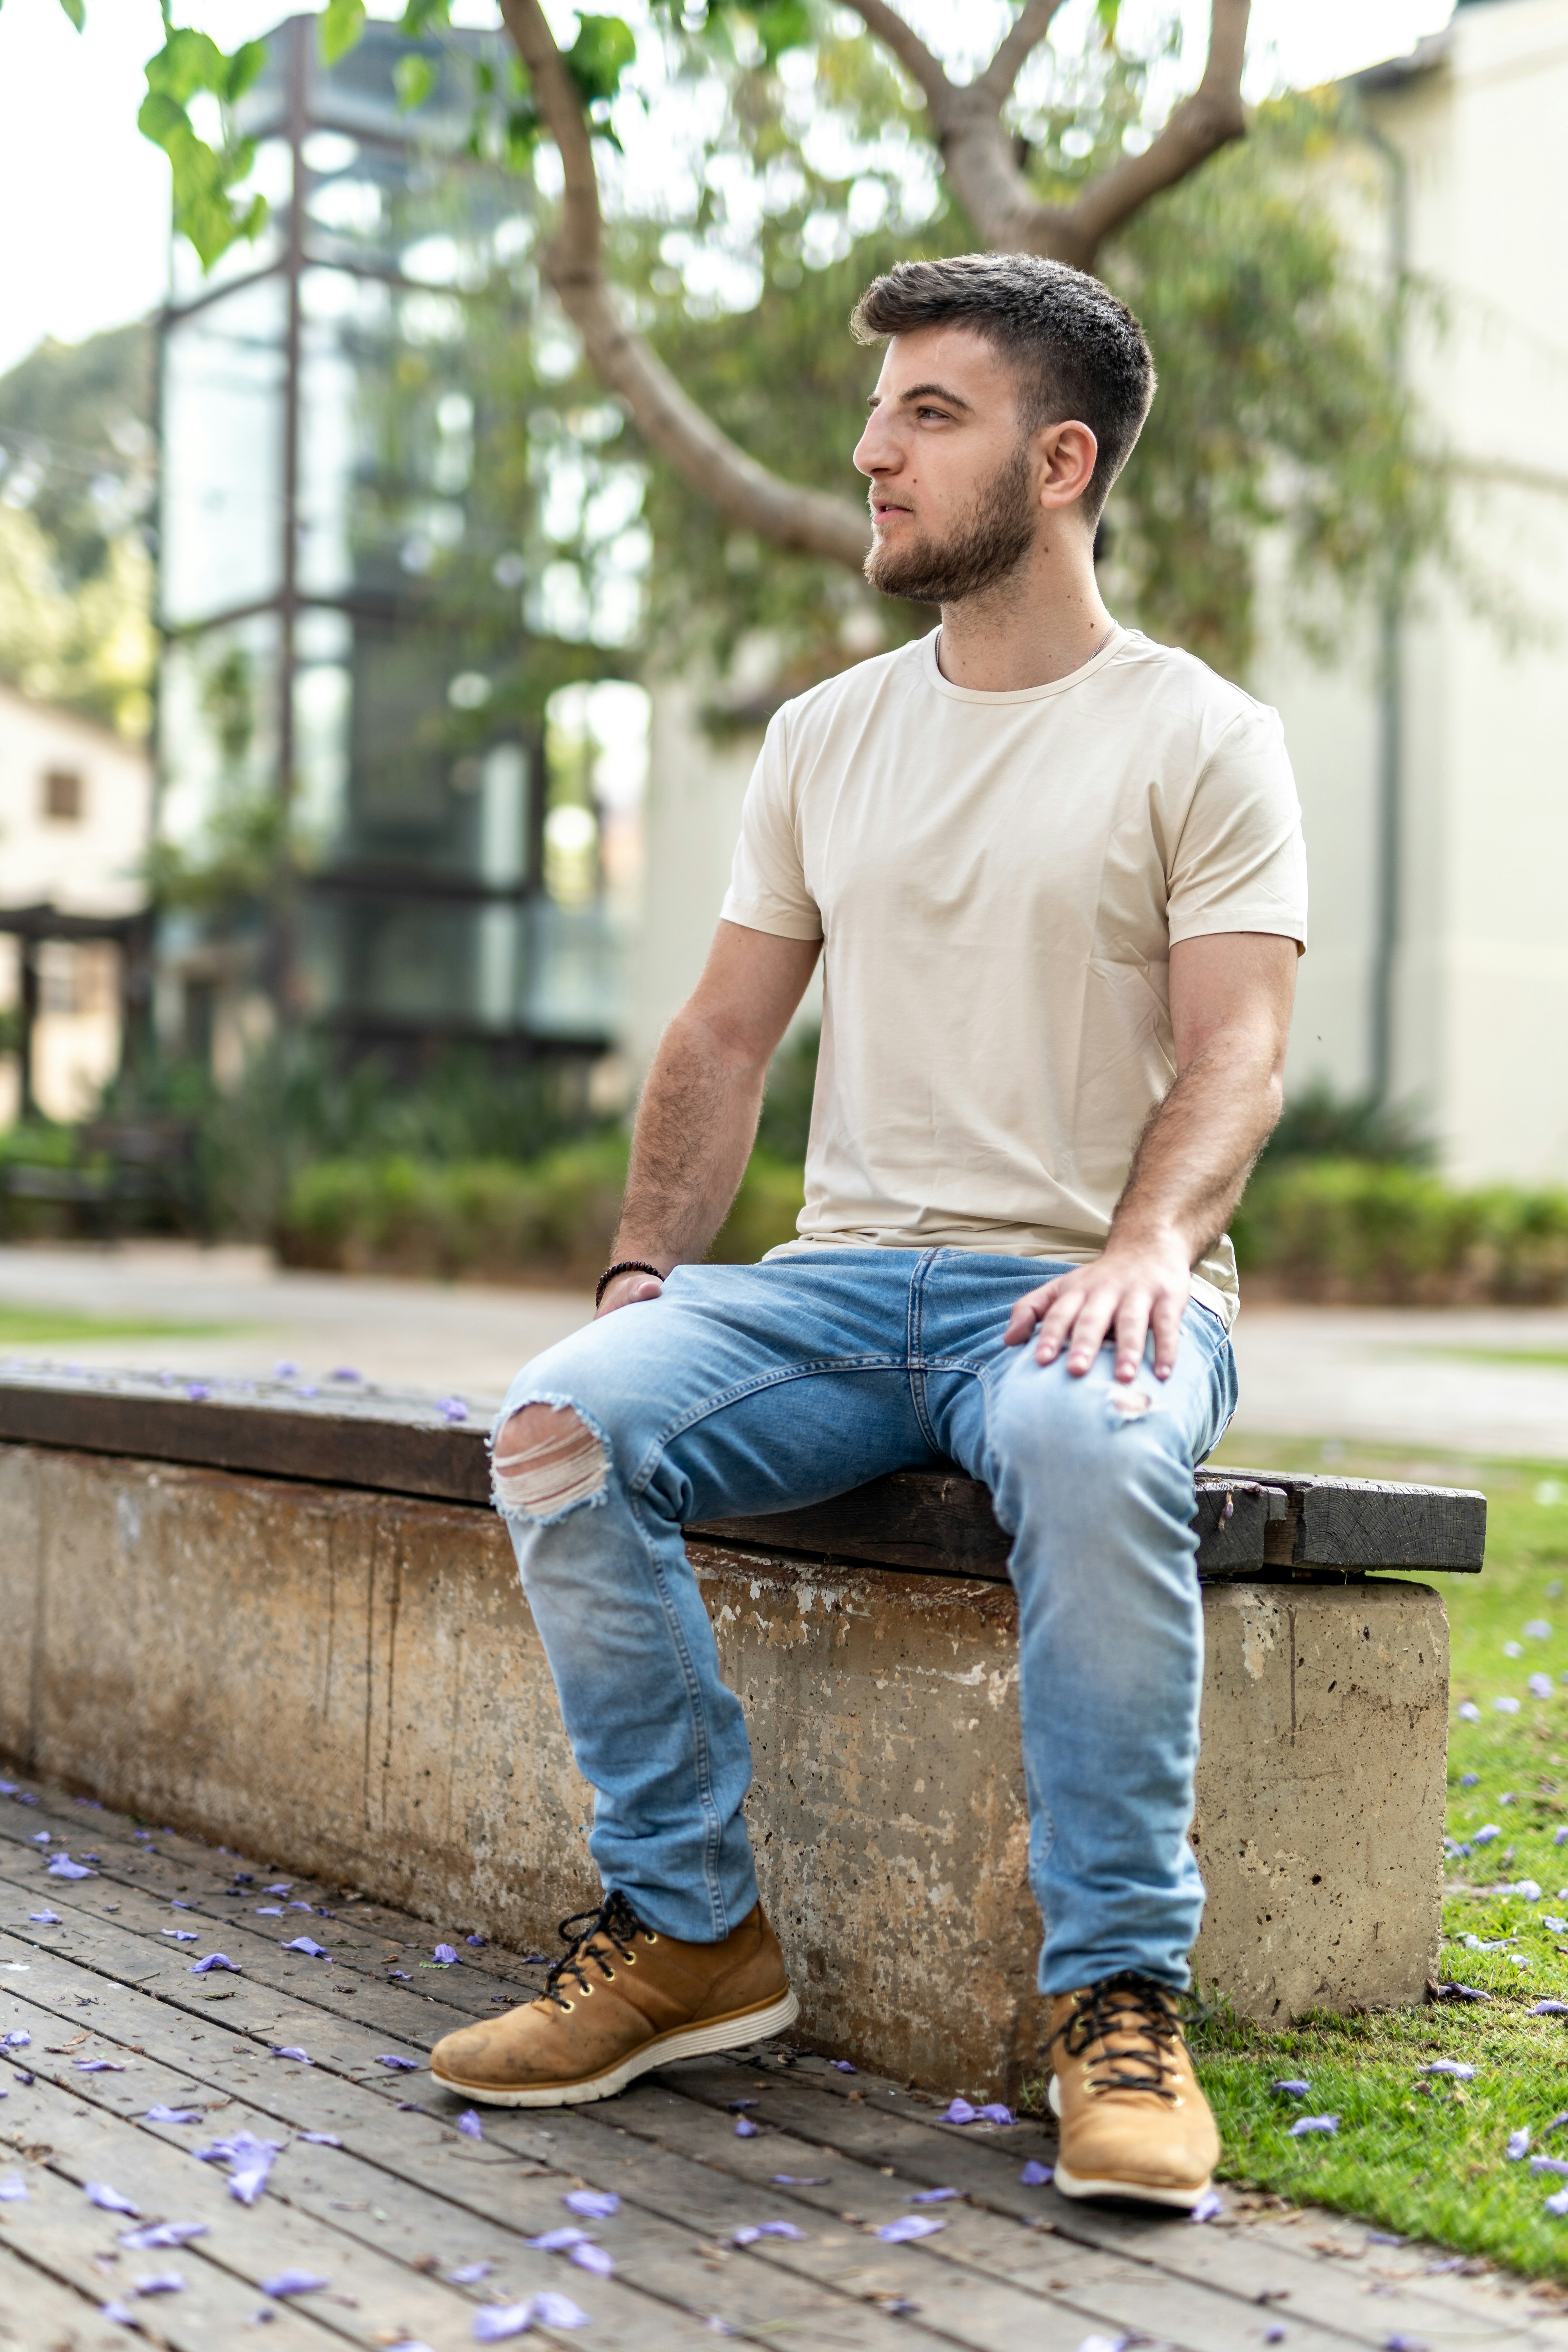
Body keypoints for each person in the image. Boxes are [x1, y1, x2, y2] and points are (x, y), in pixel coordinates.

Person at [431, 252, 1306, 2207]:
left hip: (1072, 1299)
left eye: (932, 414)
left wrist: (1152, 1244)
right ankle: (688, 1936)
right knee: (563, 1419)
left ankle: (1119, 2008)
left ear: (1059, 461)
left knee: (1092, 1453)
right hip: (830, 1296)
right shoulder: (824, 737)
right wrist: (648, 1272)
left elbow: (1239, 1046)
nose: (871, 452)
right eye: (880, 409)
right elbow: (724, 1034)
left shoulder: (1199, 736)